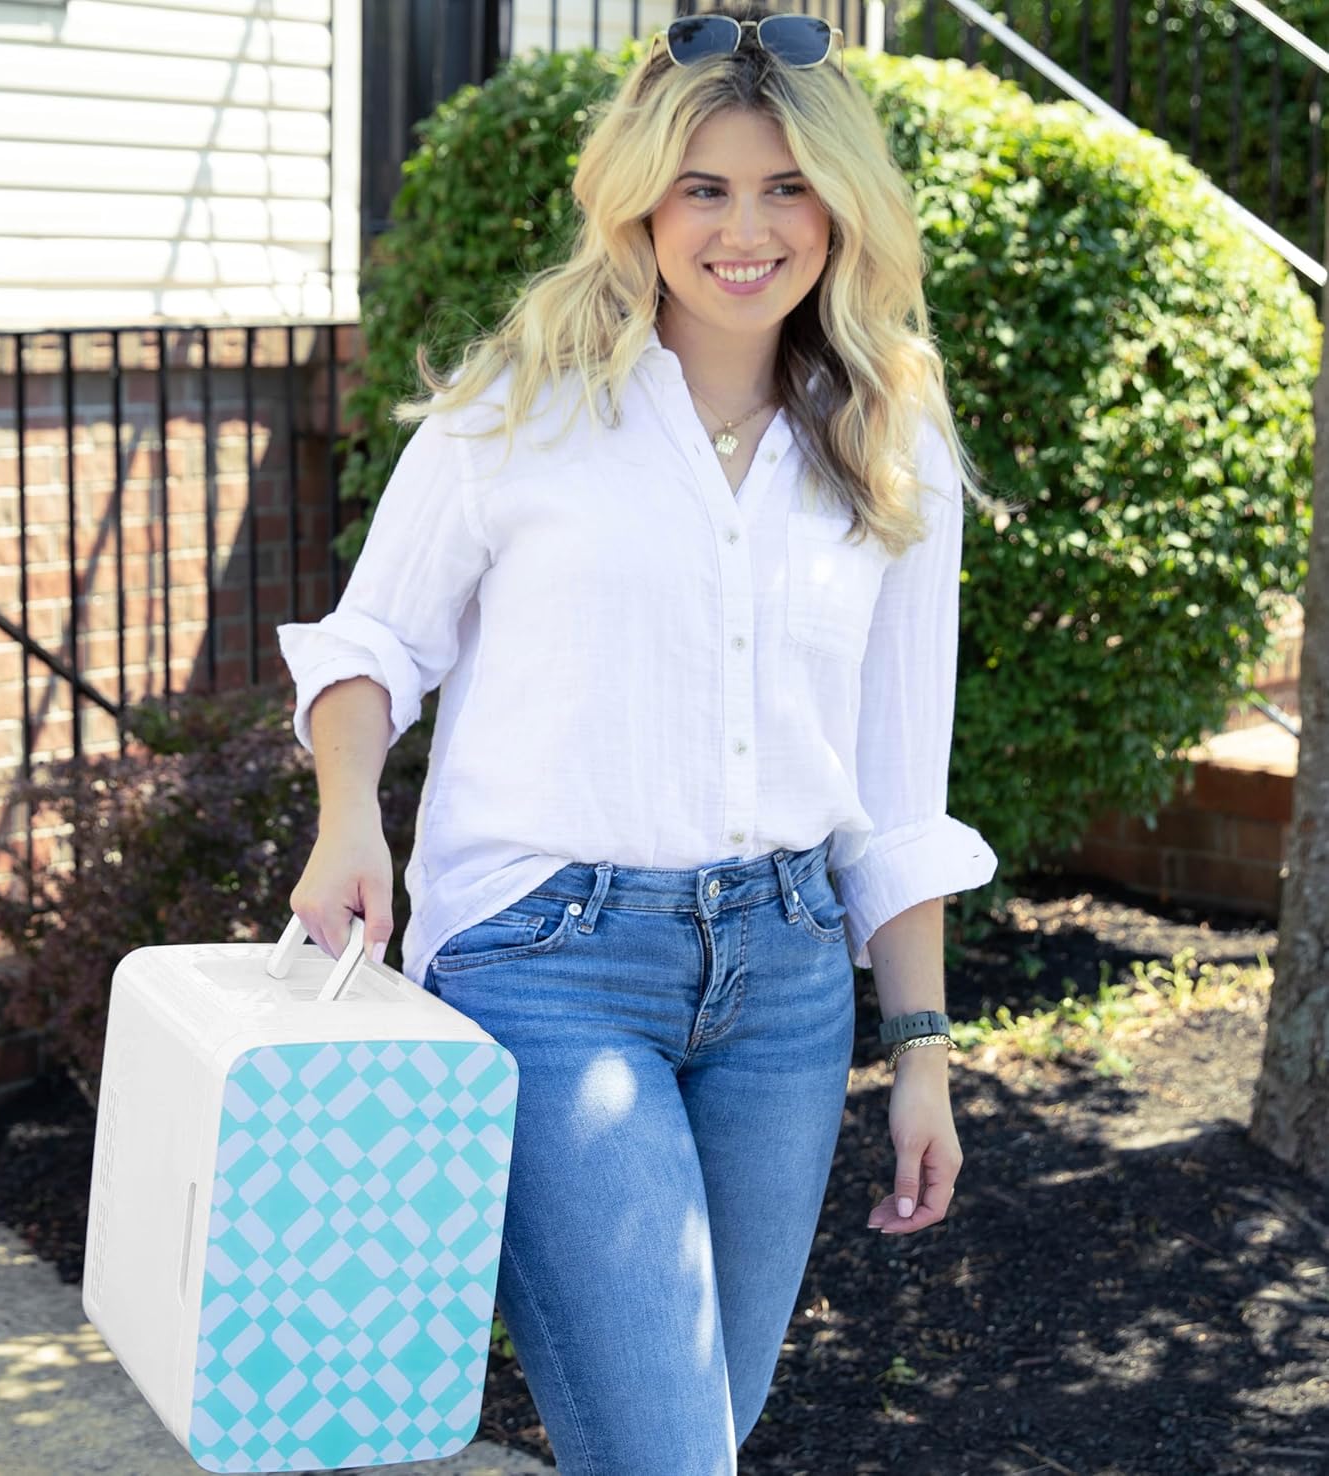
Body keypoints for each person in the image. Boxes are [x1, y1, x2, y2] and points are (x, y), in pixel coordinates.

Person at [277, 5, 1005, 1470]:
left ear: (842, 207)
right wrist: (350, 814)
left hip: (788, 984)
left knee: (705, 1429)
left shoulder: (892, 437)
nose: (747, 229)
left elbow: (896, 782)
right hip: (549, 966)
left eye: (787, 187)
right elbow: (373, 644)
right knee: (670, 1452)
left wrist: (921, 1048)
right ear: (641, 205)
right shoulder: (520, 407)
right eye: (704, 188)